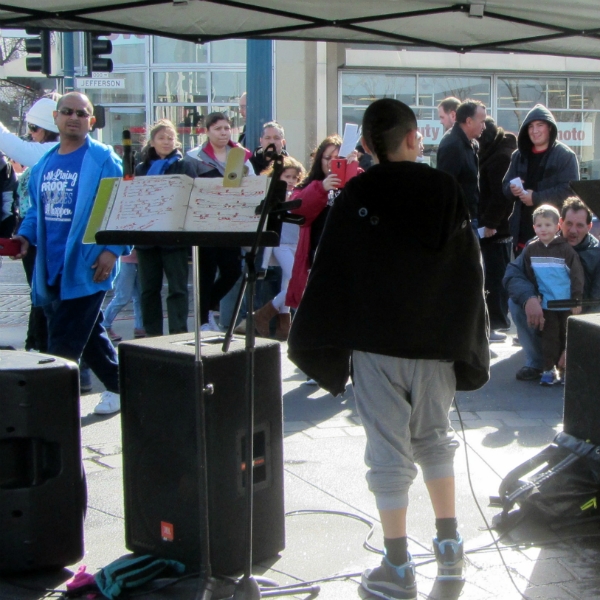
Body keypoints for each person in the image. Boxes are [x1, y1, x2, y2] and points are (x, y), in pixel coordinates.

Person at [288, 98, 489, 599]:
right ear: (413, 137)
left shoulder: (357, 192)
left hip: (377, 347)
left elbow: (331, 270)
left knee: (387, 452)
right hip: (436, 346)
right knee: (435, 440)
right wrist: (466, 339)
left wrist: (325, 343)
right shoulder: (443, 189)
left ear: (367, 145)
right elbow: (470, 271)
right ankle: (450, 549)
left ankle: (397, 566)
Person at [13, 92, 128, 415]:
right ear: (56, 118)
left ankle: (51, 412)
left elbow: (122, 207)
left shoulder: (103, 159)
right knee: (89, 333)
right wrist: (24, 236)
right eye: (67, 111)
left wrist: (112, 250)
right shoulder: (45, 163)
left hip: (89, 267)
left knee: (62, 342)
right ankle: (121, 387)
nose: (74, 117)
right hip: (51, 270)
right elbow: (37, 211)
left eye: (82, 113)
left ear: (91, 121)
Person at [504, 197, 600, 381]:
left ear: (589, 227)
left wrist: (576, 344)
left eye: (579, 225)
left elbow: (597, 305)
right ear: (560, 223)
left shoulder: (596, 253)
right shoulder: (538, 244)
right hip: (547, 310)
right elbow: (513, 272)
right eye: (569, 224)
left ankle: (572, 360)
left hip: (580, 315)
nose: (573, 231)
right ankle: (536, 362)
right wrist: (529, 298)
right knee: (516, 303)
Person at [0, 95, 61, 355]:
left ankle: (47, 350)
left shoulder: (48, 152)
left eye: (34, 129)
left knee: (49, 297)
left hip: (52, 235)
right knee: (40, 296)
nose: (31, 135)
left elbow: (14, 147)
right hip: (35, 232)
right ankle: (36, 344)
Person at [187, 112, 255, 330]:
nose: (223, 132)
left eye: (226, 128)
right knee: (205, 272)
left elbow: (252, 184)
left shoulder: (240, 155)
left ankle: (207, 308)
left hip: (231, 222)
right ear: (207, 131)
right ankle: (202, 321)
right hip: (204, 222)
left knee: (232, 270)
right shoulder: (194, 157)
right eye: (218, 128)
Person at [135, 119, 199, 337]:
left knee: (178, 288)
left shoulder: (184, 165)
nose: (166, 142)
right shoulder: (141, 168)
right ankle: (152, 334)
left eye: (170, 138)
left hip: (175, 236)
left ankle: (178, 332)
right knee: (148, 289)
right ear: (152, 141)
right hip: (147, 237)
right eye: (161, 138)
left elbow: (191, 195)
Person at [502, 104, 579, 256]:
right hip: (522, 236)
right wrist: (511, 189)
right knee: (523, 278)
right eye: (530, 126)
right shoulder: (519, 156)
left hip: (554, 238)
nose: (534, 131)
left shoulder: (565, 156)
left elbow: (569, 191)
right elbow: (505, 186)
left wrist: (536, 198)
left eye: (540, 125)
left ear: (550, 128)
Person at [521, 205, 584, 386]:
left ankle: (565, 372)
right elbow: (529, 274)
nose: (543, 229)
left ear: (557, 226)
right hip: (548, 305)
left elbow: (577, 275)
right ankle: (549, 370)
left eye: (548, 225)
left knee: (567, 338)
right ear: (534, 228)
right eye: (539, 225)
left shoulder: (565, 250)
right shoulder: (531, 250)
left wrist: (576, 299)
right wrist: (535, 294)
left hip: (567, 304)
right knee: (549, 340)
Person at [284, 134, 343, 309]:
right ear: (320, 159)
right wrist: (322, 188)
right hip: (317, 258)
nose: (332, 163)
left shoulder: (355, 183)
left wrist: (354, 169)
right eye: (328, 158)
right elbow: (299, 210)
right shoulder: (309, 185)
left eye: (338, 158)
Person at [251, 156, 305, 340]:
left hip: (296, 244)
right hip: (280, 244)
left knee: (287, 282)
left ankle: (284, 326)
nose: (291, 181)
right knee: (296, 278)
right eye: (287, 176)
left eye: (294, 178)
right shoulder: (273, 196)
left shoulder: (298, 194)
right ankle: (265, 313)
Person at [478, 117, 518, 331]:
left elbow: (500, 196)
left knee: (495, 277)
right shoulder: (498, 153)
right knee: (494, 275)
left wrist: (490, 222)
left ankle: (498, 321)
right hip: (494, 227)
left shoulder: (500, 158)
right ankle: (496, 320)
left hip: (496, 229)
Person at [436, 99, 486, 224]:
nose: (484, 126)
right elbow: (445, 188)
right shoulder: (453, 145)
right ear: (469, 121)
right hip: (458, 222)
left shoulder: (470, 143)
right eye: (482, 122)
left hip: (468, 217)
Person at [102, 249, 145, 342]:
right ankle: (104, 325)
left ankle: (140, 327)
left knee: (141, 297)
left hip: (142, 258)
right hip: (125, 259)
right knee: (122, 297)